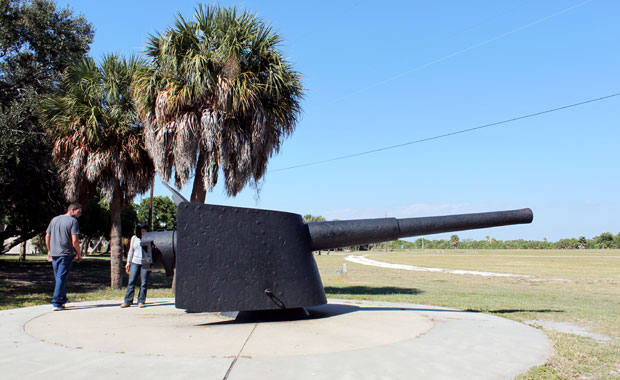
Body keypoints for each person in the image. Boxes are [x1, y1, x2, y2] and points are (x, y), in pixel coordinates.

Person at [45, 202, 82, 311]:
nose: (80, 214)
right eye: (79, 212)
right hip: (65, 254)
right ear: (72, 210)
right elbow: (75, 240)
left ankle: (62, 299)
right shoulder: (73, 221)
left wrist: (49, 250)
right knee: (61, 277)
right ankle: (56, 302)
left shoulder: (54, 219)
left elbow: (47, 236)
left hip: (55, 253)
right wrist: (78, 253)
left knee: (59, 277)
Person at [121, 223, 150, 308]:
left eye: (145, 230)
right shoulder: (134, 238)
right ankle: (128, 301)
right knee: (131, 281)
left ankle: (141, 301)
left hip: (145, 262)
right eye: (142, 230)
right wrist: (128, 262)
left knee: (144, 283)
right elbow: (131, 251)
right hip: (135, 262)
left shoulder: (149, 237)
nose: (143, 232)